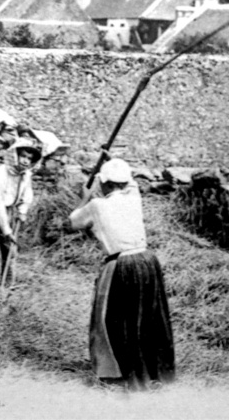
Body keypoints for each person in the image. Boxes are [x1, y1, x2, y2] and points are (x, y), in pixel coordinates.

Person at [69, 158, 175, 391]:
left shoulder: (96, 205)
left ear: (104, 184)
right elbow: (132, 185)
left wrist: (85, 195)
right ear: (126, 182)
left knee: (111, 319)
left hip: (122, 265)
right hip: (148, 262)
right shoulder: (134, 199)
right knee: (148, 318)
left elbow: (72, 222)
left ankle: (118, 375)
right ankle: (154, 374)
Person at [0, 137, 42, 292]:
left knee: (10, 250)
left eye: (29, 158)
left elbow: (27, 193)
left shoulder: (26, 174)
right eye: (23, 156)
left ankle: (7, 285)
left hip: (9, 210)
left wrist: (22, 211)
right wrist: (6, 230)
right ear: (15, 155)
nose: (26, 161)